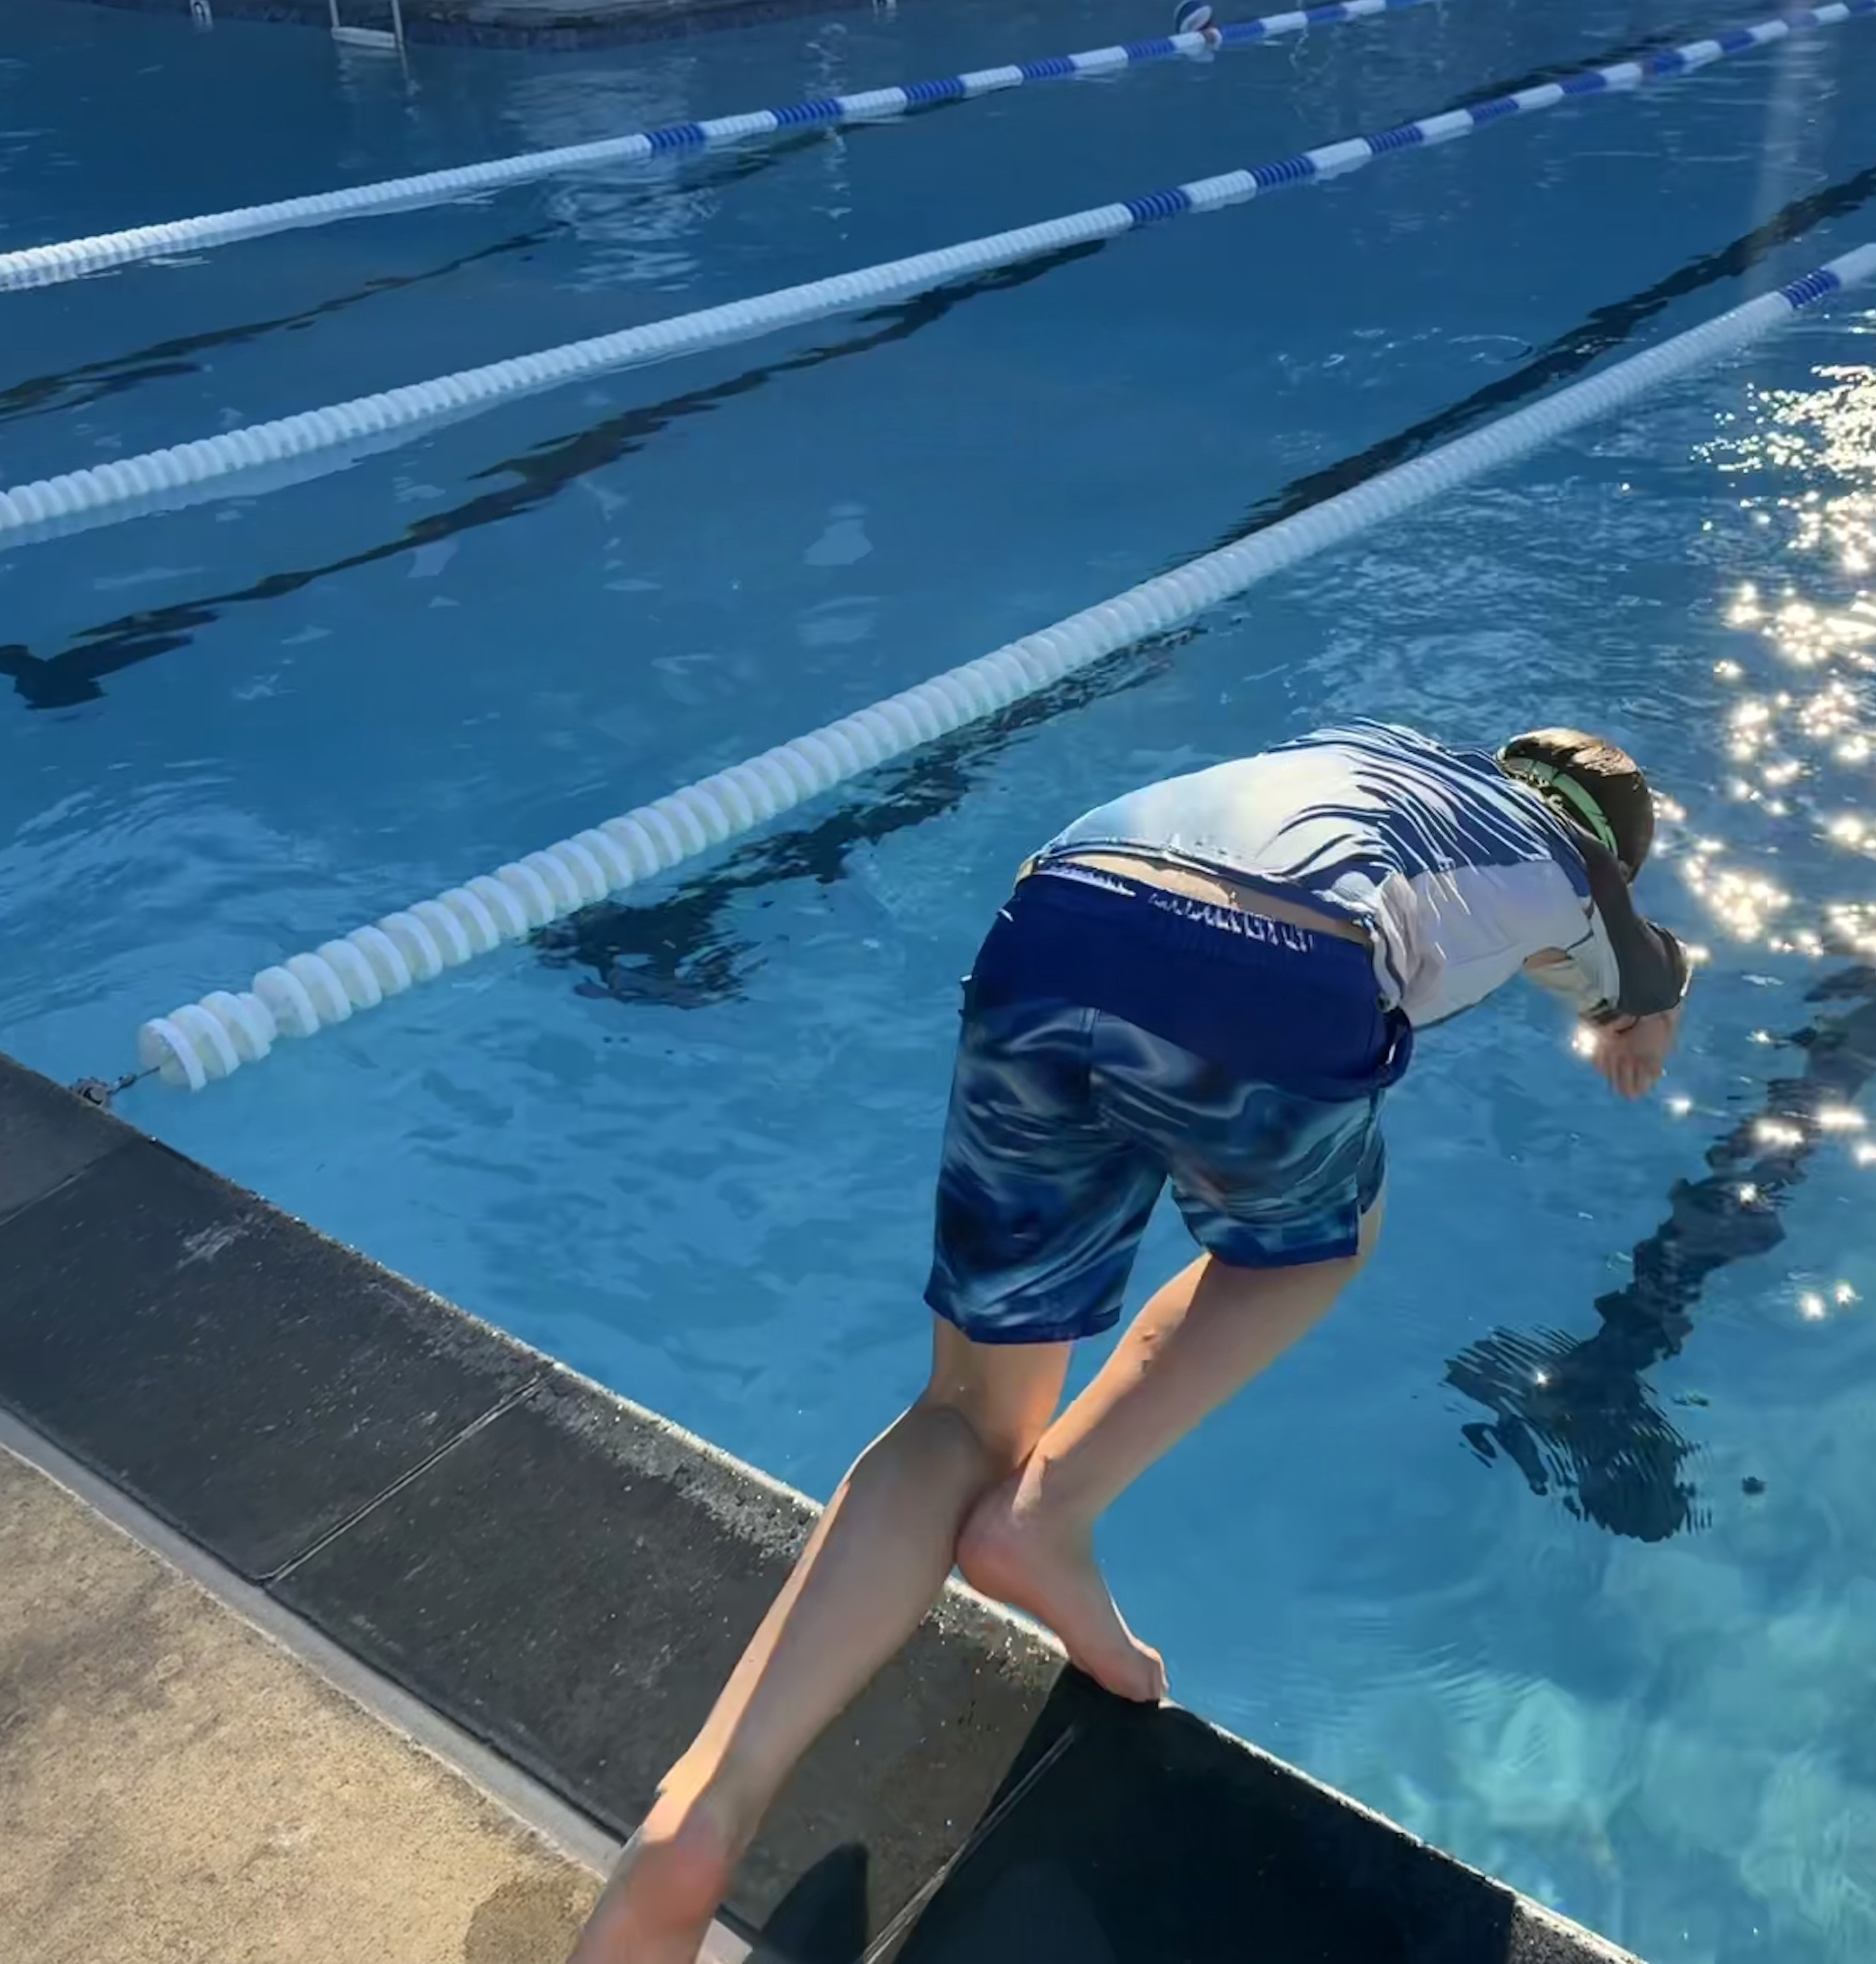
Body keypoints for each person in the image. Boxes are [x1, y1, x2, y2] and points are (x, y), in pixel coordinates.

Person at [565, 723, 1693, 1964]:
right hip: (1280, 964)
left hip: (1061, 913)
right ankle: (1048, 1514)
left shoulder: (1389, 757)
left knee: (964, 1415)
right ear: (1611, 851)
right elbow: (1638, 977)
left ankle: (701, 1808)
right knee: (1325, 1237)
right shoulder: (1579, 873)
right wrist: (1645, 1012)